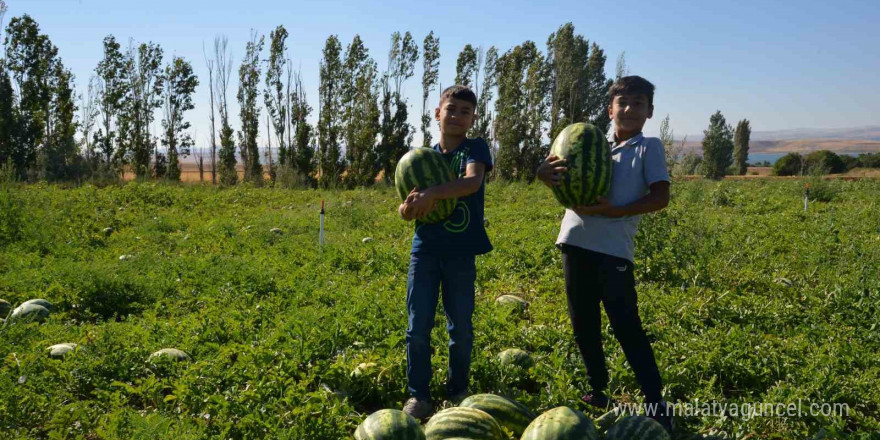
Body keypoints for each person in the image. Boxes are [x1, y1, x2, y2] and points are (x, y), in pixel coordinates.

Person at [537, 75, 673, 433]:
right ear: (610, 108)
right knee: (583, 323)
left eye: (638, 104)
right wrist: (542, 173)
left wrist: (617, 210)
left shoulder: (649, 147)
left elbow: (661, 197)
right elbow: (556, 173)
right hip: (574, 241)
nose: (629, 110)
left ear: (649, 111)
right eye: (622, 103)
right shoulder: (588, 140)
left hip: (614, 250)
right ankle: (599, 390)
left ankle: (655, 401)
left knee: (627, 325)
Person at [398, 85, 493, 420]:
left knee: (460, 327)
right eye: (451, 109)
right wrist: (407, 210)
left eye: (465, 112)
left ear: (473, 119)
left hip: (460, 253)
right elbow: (407, 206)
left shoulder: (474, 148)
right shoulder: (420, 159)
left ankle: (458, 390)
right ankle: (418, 395)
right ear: (437, 113)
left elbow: (471, 182)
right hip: (424, 252)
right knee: (417, 324)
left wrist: (432, 194)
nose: (456, 116)